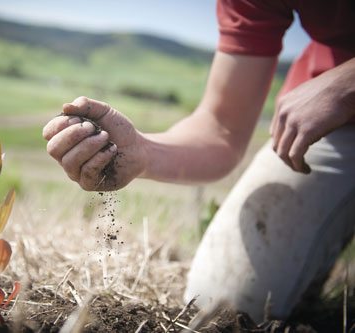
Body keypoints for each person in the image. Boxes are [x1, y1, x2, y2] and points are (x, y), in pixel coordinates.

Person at [42, 0, 355, 322]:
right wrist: (143, 152)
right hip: (339, 128)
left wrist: (346, 84)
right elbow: (222, 128)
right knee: (223, 306)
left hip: (339, 99)